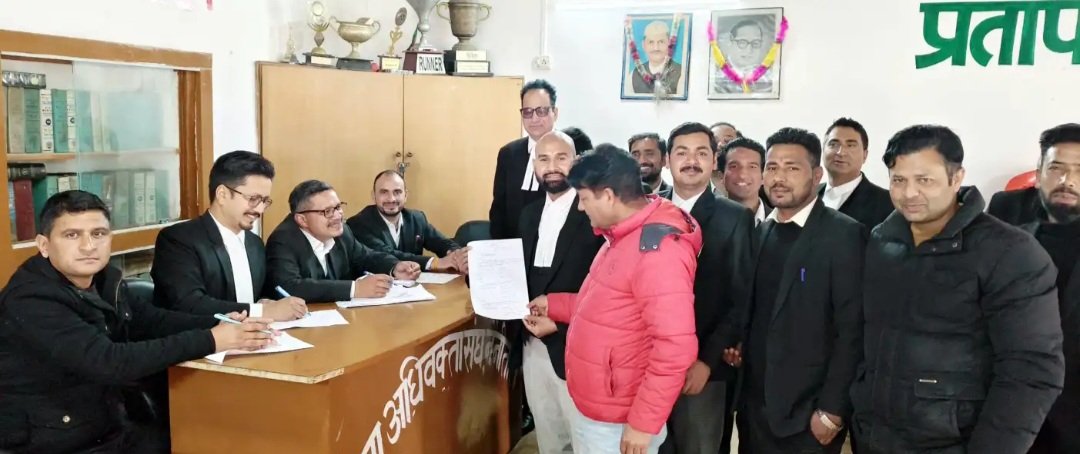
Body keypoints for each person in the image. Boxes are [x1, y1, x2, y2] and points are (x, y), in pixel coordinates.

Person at [0, 191, 275, 454]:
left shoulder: (104, 280)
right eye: (72, 235)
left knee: (214, 437)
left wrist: (219, 323)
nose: (88, 246)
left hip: (103, 422)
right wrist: (213, 339)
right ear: (44, 245)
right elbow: (108, 361)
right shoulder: (31, 298)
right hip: (51, 439)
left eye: (98, 233)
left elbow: (153, 320)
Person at [851, 125, 1064, 453]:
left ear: (956, 178)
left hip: (954, 441)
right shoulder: (883, 240)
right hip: (875, 437)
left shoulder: (1009, 252)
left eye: (924, 180)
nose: (909, 193)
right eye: (898, 180)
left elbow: (1031, 371)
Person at [525, 146, 702, 454]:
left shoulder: (658, 252)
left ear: (608, 196)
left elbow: (675, 347)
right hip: (602, 407)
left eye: (583, 198)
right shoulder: (623, 234)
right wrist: (554, 304)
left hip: (619, 419)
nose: (580, 208)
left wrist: (643, 423)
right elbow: (609, 305)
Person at [727, 127, 864, 454]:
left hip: (808, 412)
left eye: (792, 168)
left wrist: (833, 409)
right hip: (755, 406)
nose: (779, 178)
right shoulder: (762, 230)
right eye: (772, 167)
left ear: (816, 175)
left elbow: (853, 331)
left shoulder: (843, 235)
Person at [656, 123, 753, 454]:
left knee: (699, 447)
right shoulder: (648, 210)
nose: (691, 161)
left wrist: (708, 361)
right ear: (667, 160)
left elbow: (740, 299)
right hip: (648, 362)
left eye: (701, 153)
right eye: (682, 152)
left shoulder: (735, 218)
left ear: (714, 161)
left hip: (702, 368)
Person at [516, 131, 604, 453]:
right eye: (543, 159)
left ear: (575, 161)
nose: (551, 167)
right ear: (534, 165)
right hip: (532, 344)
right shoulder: (528, 214)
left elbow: (604, 289)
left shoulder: (594, 212)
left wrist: (560, 323)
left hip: (578, 345)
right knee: (549, 436)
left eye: (561, 158)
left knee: (586, 439)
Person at [152, 150, 306, 321]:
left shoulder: (254, 243)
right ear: (222, 195)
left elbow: (259, 296)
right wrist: (260, 311)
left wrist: (267, 302)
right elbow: (189, 304)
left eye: (264, 201)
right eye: (253, 199)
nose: (260, 209)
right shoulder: (178, 240)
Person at [1021, 123, 1080, 454]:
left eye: (1079, 171)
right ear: (1039, 173)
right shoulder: (1006, 241)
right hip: (1012, 418)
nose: (1067, 180)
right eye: (1056, 168)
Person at [266, 180, 420, 303]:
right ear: (302, 220)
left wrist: (394, 266)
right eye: (327, 211)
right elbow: (290, 287)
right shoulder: (283, 240)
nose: (338, 216)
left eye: (338, 207)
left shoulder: (342, 231)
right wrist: (355, 289)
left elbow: (365, 256)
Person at [347, 171, 466, 274]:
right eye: (384, 192)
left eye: (397, 192)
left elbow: (441, 242)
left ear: (406, 195)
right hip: (377, 288)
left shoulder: (417, 218)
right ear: (374, 196)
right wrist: (435, 263)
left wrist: (457, 255)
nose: (391, 199)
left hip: (415, 288)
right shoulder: (358, 223)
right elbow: (386, 255)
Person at [490, 79, 558, 240]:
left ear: (555, 113)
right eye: (527, 112)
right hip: (512, 245)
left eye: (541, 111)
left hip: (555, 245)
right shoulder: (508, 153)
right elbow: (498, 209)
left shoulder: (570, 151)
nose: (534, 118)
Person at [818, 117, 893, 229]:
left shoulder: (887, 203)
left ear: (865, 155)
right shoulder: (807, 194)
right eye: (833, 144)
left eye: (850, 145)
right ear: (823, 150)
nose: (841, 152)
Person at [713, 20, 774, 94]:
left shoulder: (769, 80)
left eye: (755, 43)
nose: (749, 50)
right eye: (742, 42)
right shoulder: (716, 80)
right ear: (730, 42)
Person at [722, 137, 770, 225]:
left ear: (763, 176)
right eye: (734, 166)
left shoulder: (782, 223)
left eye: (752, 167)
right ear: (722, 175)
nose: (742, 175)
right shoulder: (704, 221)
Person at [630, 21, 683, 95]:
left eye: (661, 42)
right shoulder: (633, 75)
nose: (656, 48)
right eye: (651, 42)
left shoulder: (681, 73)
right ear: (644, 45)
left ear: (669, 44)